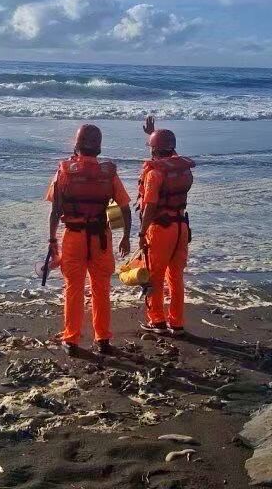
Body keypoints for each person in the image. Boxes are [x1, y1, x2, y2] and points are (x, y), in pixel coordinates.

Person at [46, 124, 132, 355]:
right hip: (101, 238)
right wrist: (125, 236)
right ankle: (102, 339)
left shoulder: (64, 171)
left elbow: (55, 211)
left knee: (73, 287)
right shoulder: (108, 174)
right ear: (99, 147)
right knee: (101, 287)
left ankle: (71, 339)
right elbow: (124, 207)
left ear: (76, 144)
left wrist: (52, 241)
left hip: (73, 236)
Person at [137, 115, 195, 335]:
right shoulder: (182, 169)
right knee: (176, 276)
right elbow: (167, 155)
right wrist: (153, 134)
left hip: (160, 229)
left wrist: (142, 232)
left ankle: (157, 321)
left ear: (154, 150)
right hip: (181, 227)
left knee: (155, 275)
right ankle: (177, 323)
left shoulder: (154, 173)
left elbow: (150, 206)